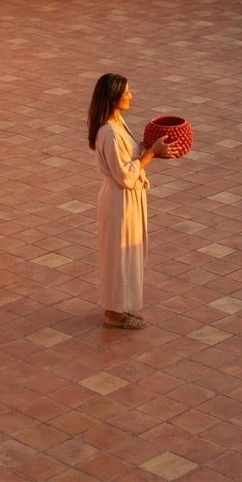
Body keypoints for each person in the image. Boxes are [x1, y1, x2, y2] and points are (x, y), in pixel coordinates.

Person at [88, 73, 171, 329]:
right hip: (119, 200)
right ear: (113, 98)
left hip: (127, 199)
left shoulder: (116, 122)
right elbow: (125, 174)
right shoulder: (110, 132)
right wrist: (152, 154)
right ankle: (113, 313)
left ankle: (121, 307)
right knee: (119, 255)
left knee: (128, 252)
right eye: (126, 93)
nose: (130, 96)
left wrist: (144, 147)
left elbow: (127, 157)